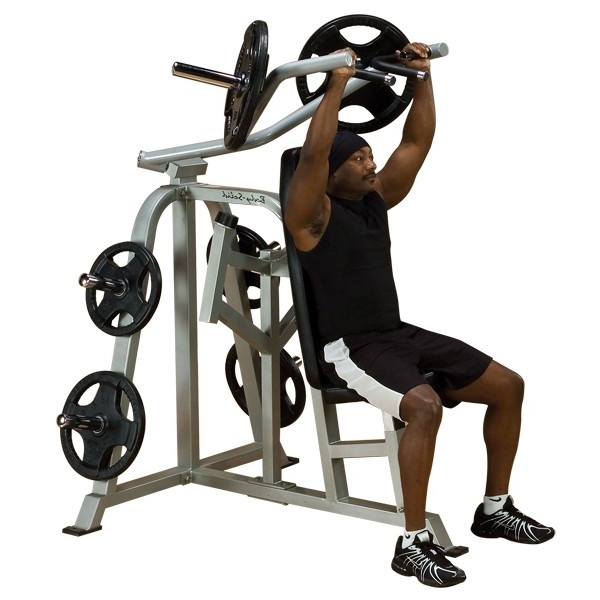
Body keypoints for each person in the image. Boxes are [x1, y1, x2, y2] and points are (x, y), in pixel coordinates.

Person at [283, 43, 555, 588]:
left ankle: (494, 509)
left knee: (509, 386)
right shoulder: (311, 216)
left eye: (369, 156)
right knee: (425, 409)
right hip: (350, 347)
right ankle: (411, 544)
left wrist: (421, 78)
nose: (371, 163)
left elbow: (416, 142)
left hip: (396, 335)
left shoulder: (374, 199)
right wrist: (334, 85)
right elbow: (311, 158)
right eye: (358, 159)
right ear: (331, 174)